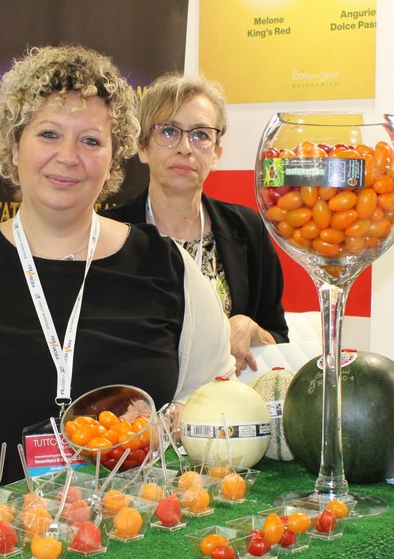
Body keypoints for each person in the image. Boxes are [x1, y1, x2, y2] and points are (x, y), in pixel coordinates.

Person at [0, 45, 234, 507]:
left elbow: (217, 407)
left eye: (91, 141)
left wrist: (173, 423)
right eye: (48, 134)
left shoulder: (169, 270)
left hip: (134, 544)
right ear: (13, 145)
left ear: (114, 156)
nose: (68, 156)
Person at [105, 73, 289, 374]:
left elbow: (279, 336)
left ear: (216, 154)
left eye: (201, 135)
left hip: (226, 399)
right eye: (168, 131)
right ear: (143, 147)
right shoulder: (109, 232)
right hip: (138, 401)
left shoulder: (247, 228)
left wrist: (252, 329)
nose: (185, 147)